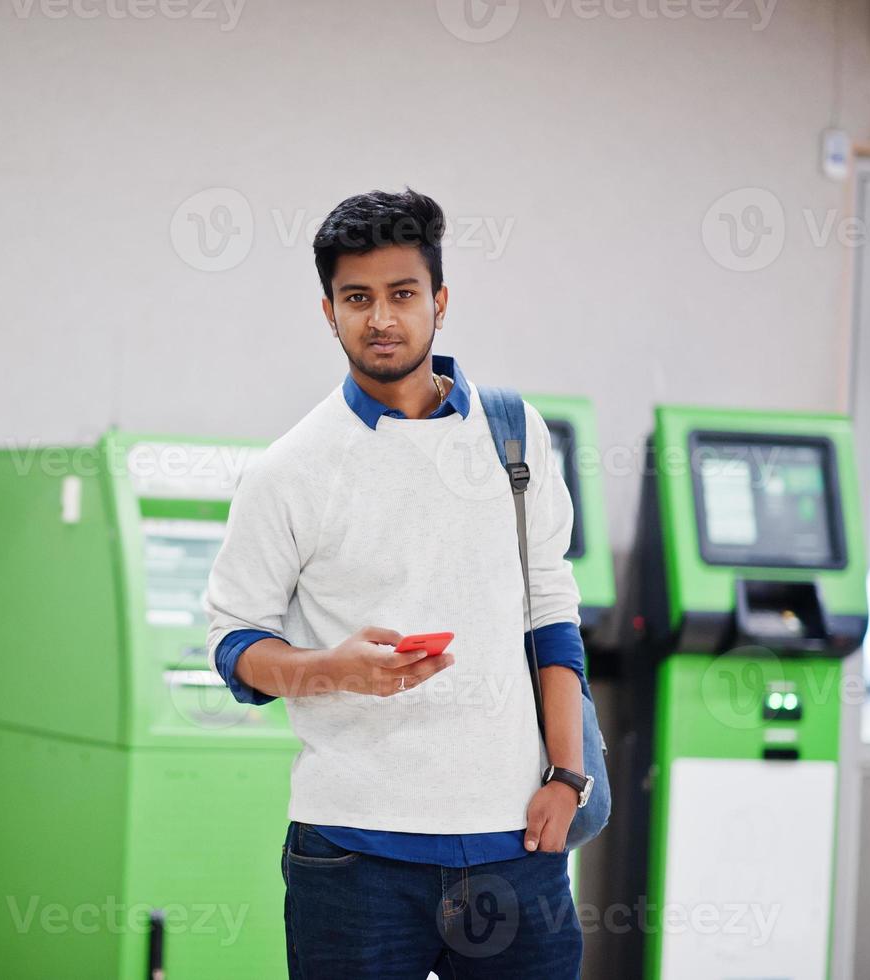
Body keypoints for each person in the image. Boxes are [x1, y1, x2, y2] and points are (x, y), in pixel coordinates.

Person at [204, 187, 589, 978]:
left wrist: (567, 777)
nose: (380, 318)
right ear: (328, 311)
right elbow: (233, 641)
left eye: (401, 294)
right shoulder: (290, 469)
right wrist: (328, 670)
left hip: (514, 846)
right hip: (351, 854)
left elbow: (550, 616)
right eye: (357, 298)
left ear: (438, 302)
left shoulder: (515, 436)